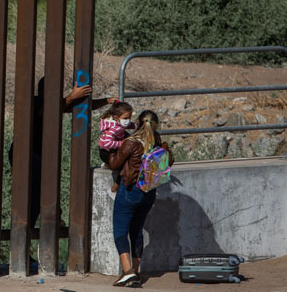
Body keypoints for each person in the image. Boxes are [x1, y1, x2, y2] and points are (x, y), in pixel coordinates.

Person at [9, 77, 116, 229]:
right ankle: (51, 220)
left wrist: (107, 100)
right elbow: (48, 112)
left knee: (39, 190)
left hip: (35, 156)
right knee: (42, 186)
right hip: (25, 154)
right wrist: (72, 97)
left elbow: (78, 106)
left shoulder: (56, 103)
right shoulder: (36, 101)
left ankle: (41, 224)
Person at [108, 110, 174, 286]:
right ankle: (136, 273)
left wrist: (110, 152)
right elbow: (168, 161)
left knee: (120, 231)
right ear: (156, 125)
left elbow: (114, 163)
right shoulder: (157, 142)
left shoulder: (131, 143)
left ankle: (127, 271)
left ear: (137, 123)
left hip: (130, 191)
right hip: (149, 193)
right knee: (137, 231)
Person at [98, 101, 135, 194]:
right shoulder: (114, 128)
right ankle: (117, 182)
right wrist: (122, 143)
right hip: (106, 153)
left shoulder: (119, 124)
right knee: (125, 162)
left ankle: (108, 164)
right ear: (116, 118)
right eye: (126, 118)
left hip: (107, 152)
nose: (128, 120)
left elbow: (130, 125)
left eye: (130, 118)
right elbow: (107, 143)